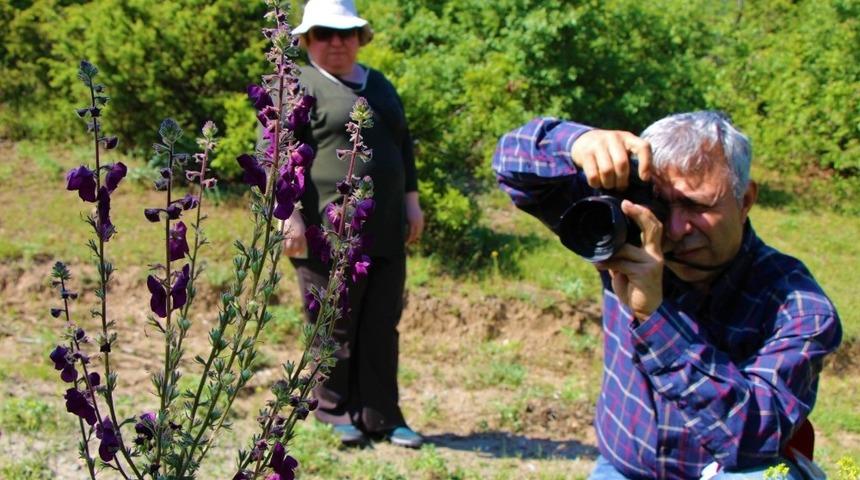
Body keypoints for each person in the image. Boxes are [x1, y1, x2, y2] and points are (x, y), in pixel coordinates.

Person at [492, 111, 841, 479]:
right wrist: (577, 142)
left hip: (727, 470)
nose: (675, 228)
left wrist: (656, 318)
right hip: (625, 466)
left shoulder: (798, 305)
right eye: (662, 205)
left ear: (745, 200)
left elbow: (748, 439)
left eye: (698, 206)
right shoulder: (628, 235)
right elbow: (510, 163)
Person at [283, 0, 425, 448]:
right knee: (334, 323)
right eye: (324, 33)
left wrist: (412, 203)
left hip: (385, 227)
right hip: (326, 234)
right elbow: (278, 157)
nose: (337, 42)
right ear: (307, 39)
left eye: (345, 33)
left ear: (361, 37)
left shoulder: (379, 85)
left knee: (382, 324)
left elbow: (401, 146)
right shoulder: (298, 86)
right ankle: (333, 410)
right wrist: (289, 216)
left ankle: (381, 416)